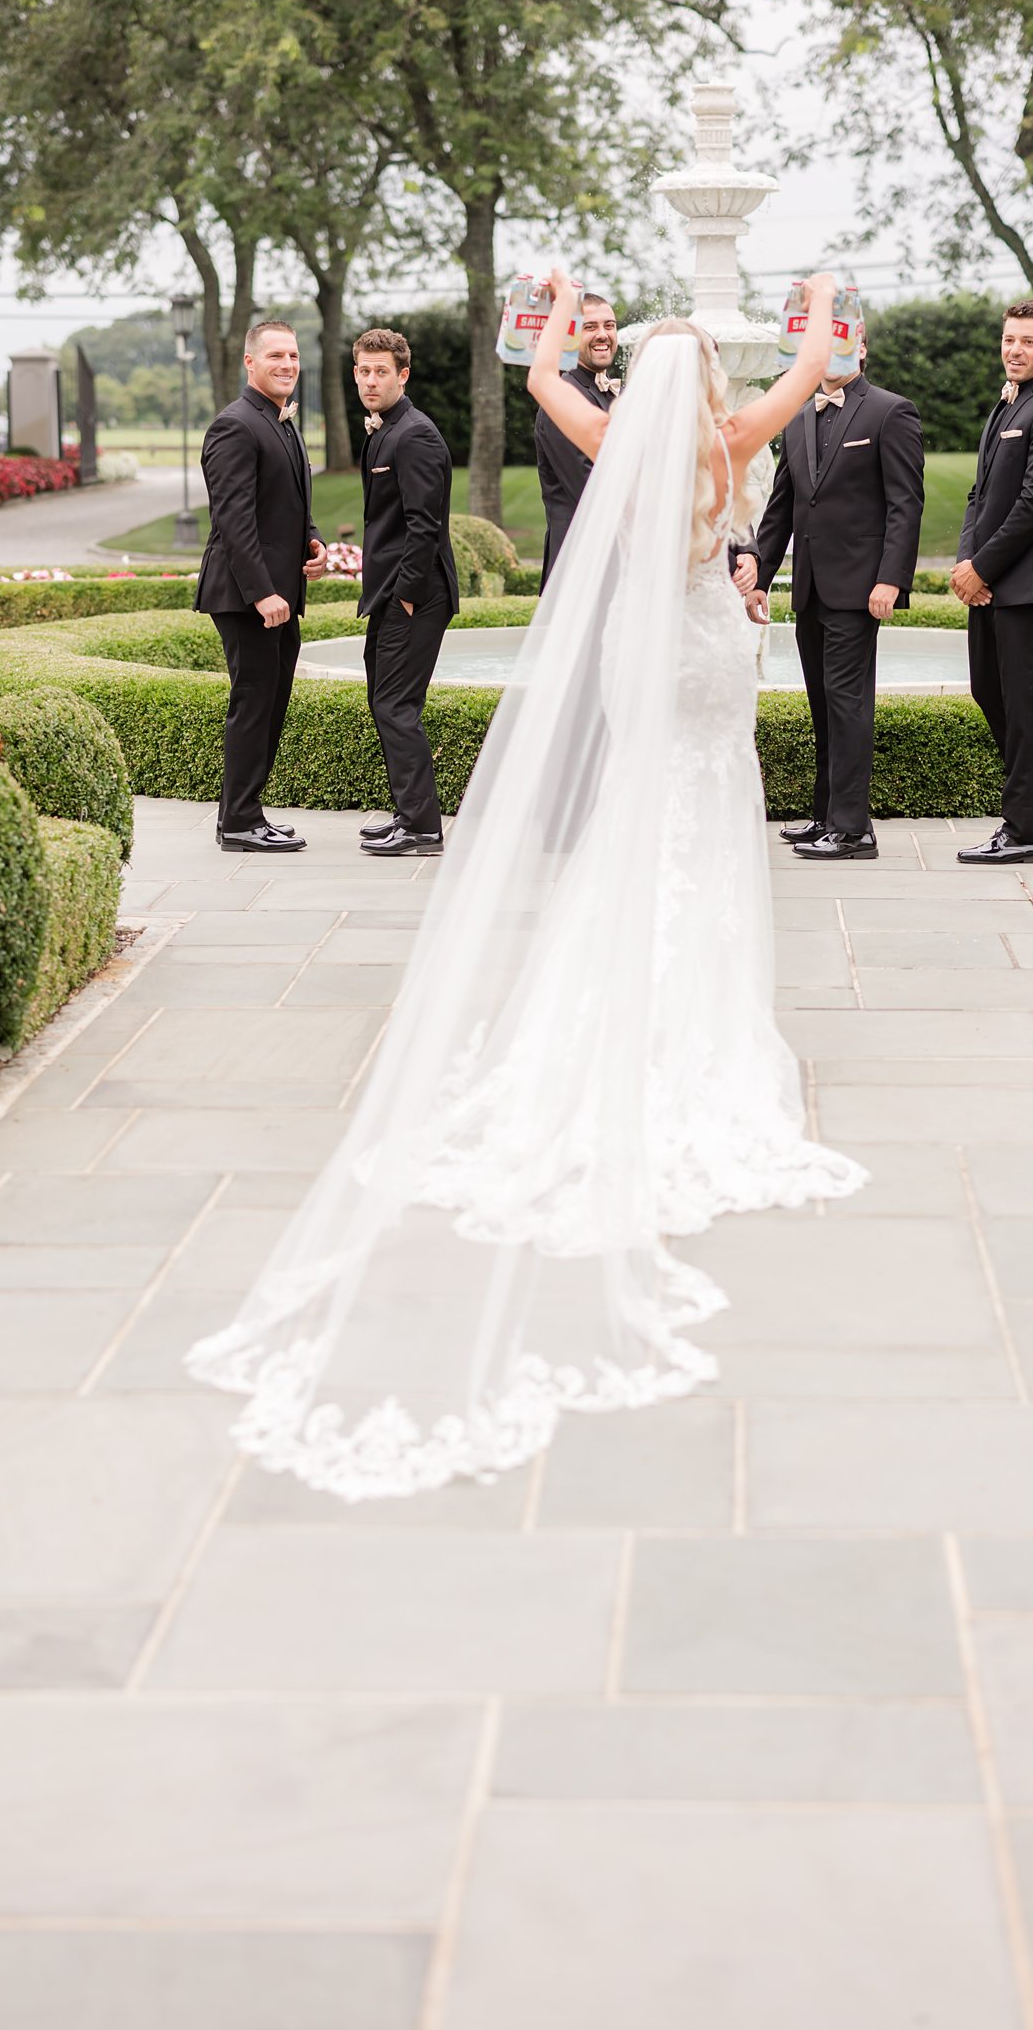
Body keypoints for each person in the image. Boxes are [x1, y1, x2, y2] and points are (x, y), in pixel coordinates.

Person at [187, 270, 864, 1498]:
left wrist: (551, 306)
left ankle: (610, 1001)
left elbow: (541, 375)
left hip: (632, 650)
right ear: (707, 383)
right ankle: (699, 1015)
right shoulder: (728, 441)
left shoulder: (610, 439)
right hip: (709, 651)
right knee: (707, 815)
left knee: (632, 817)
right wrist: (817, 299)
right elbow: (815, 366)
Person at [738, 329, 923, 861]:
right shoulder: (797, 417)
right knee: (824, 705)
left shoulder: (892, 412)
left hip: (860, 589)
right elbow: (781, 510)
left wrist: (891, 577)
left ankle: (854, 830)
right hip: (811, 590)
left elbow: (905, 504)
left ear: (862, 348)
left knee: (848, 705)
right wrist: (761, 575)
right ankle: (825, 815)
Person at [950, 299, 1033, 865]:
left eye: (1027, 341)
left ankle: (1027, 830)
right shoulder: (1006, 404)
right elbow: (980, 496)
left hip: (1029, 584)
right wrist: (965, 562)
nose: (1015, 350)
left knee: (1023, 701)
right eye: (1009, 340)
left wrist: (983, 567)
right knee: (990, 690)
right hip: (990, 581)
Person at [195, 318, 326, 852]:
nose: (288, 365)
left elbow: (284, 501)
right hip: (249, 596)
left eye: (293, 356)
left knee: (271, 703)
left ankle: (240, 814)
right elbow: (234, 519)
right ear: (250, 362)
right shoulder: (235, 425)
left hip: (280, 592)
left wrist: (312, 542)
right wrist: (262, 593)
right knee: (253, 703)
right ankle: (242, 823)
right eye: (276, 356)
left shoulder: (280, 422)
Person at [351, 328, 459, 859]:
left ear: (403, 375)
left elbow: (423, 525)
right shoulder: (383, 430)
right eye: (364, 372)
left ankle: (422, 828)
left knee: (395, 704)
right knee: (388, 700)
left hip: (415, 593)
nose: (371, 381)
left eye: (381, 372)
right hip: (392, 592)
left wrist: (409, 597)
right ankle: (408, 814)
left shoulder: (414, 435)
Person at [533, 290, 620, 589]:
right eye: (590, 327)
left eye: (609, 326)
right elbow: (590, 490)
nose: (603, 335)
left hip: (612, 566)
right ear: (570, 335)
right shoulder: (562, 399)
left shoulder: (614, 396)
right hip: (579, 572)